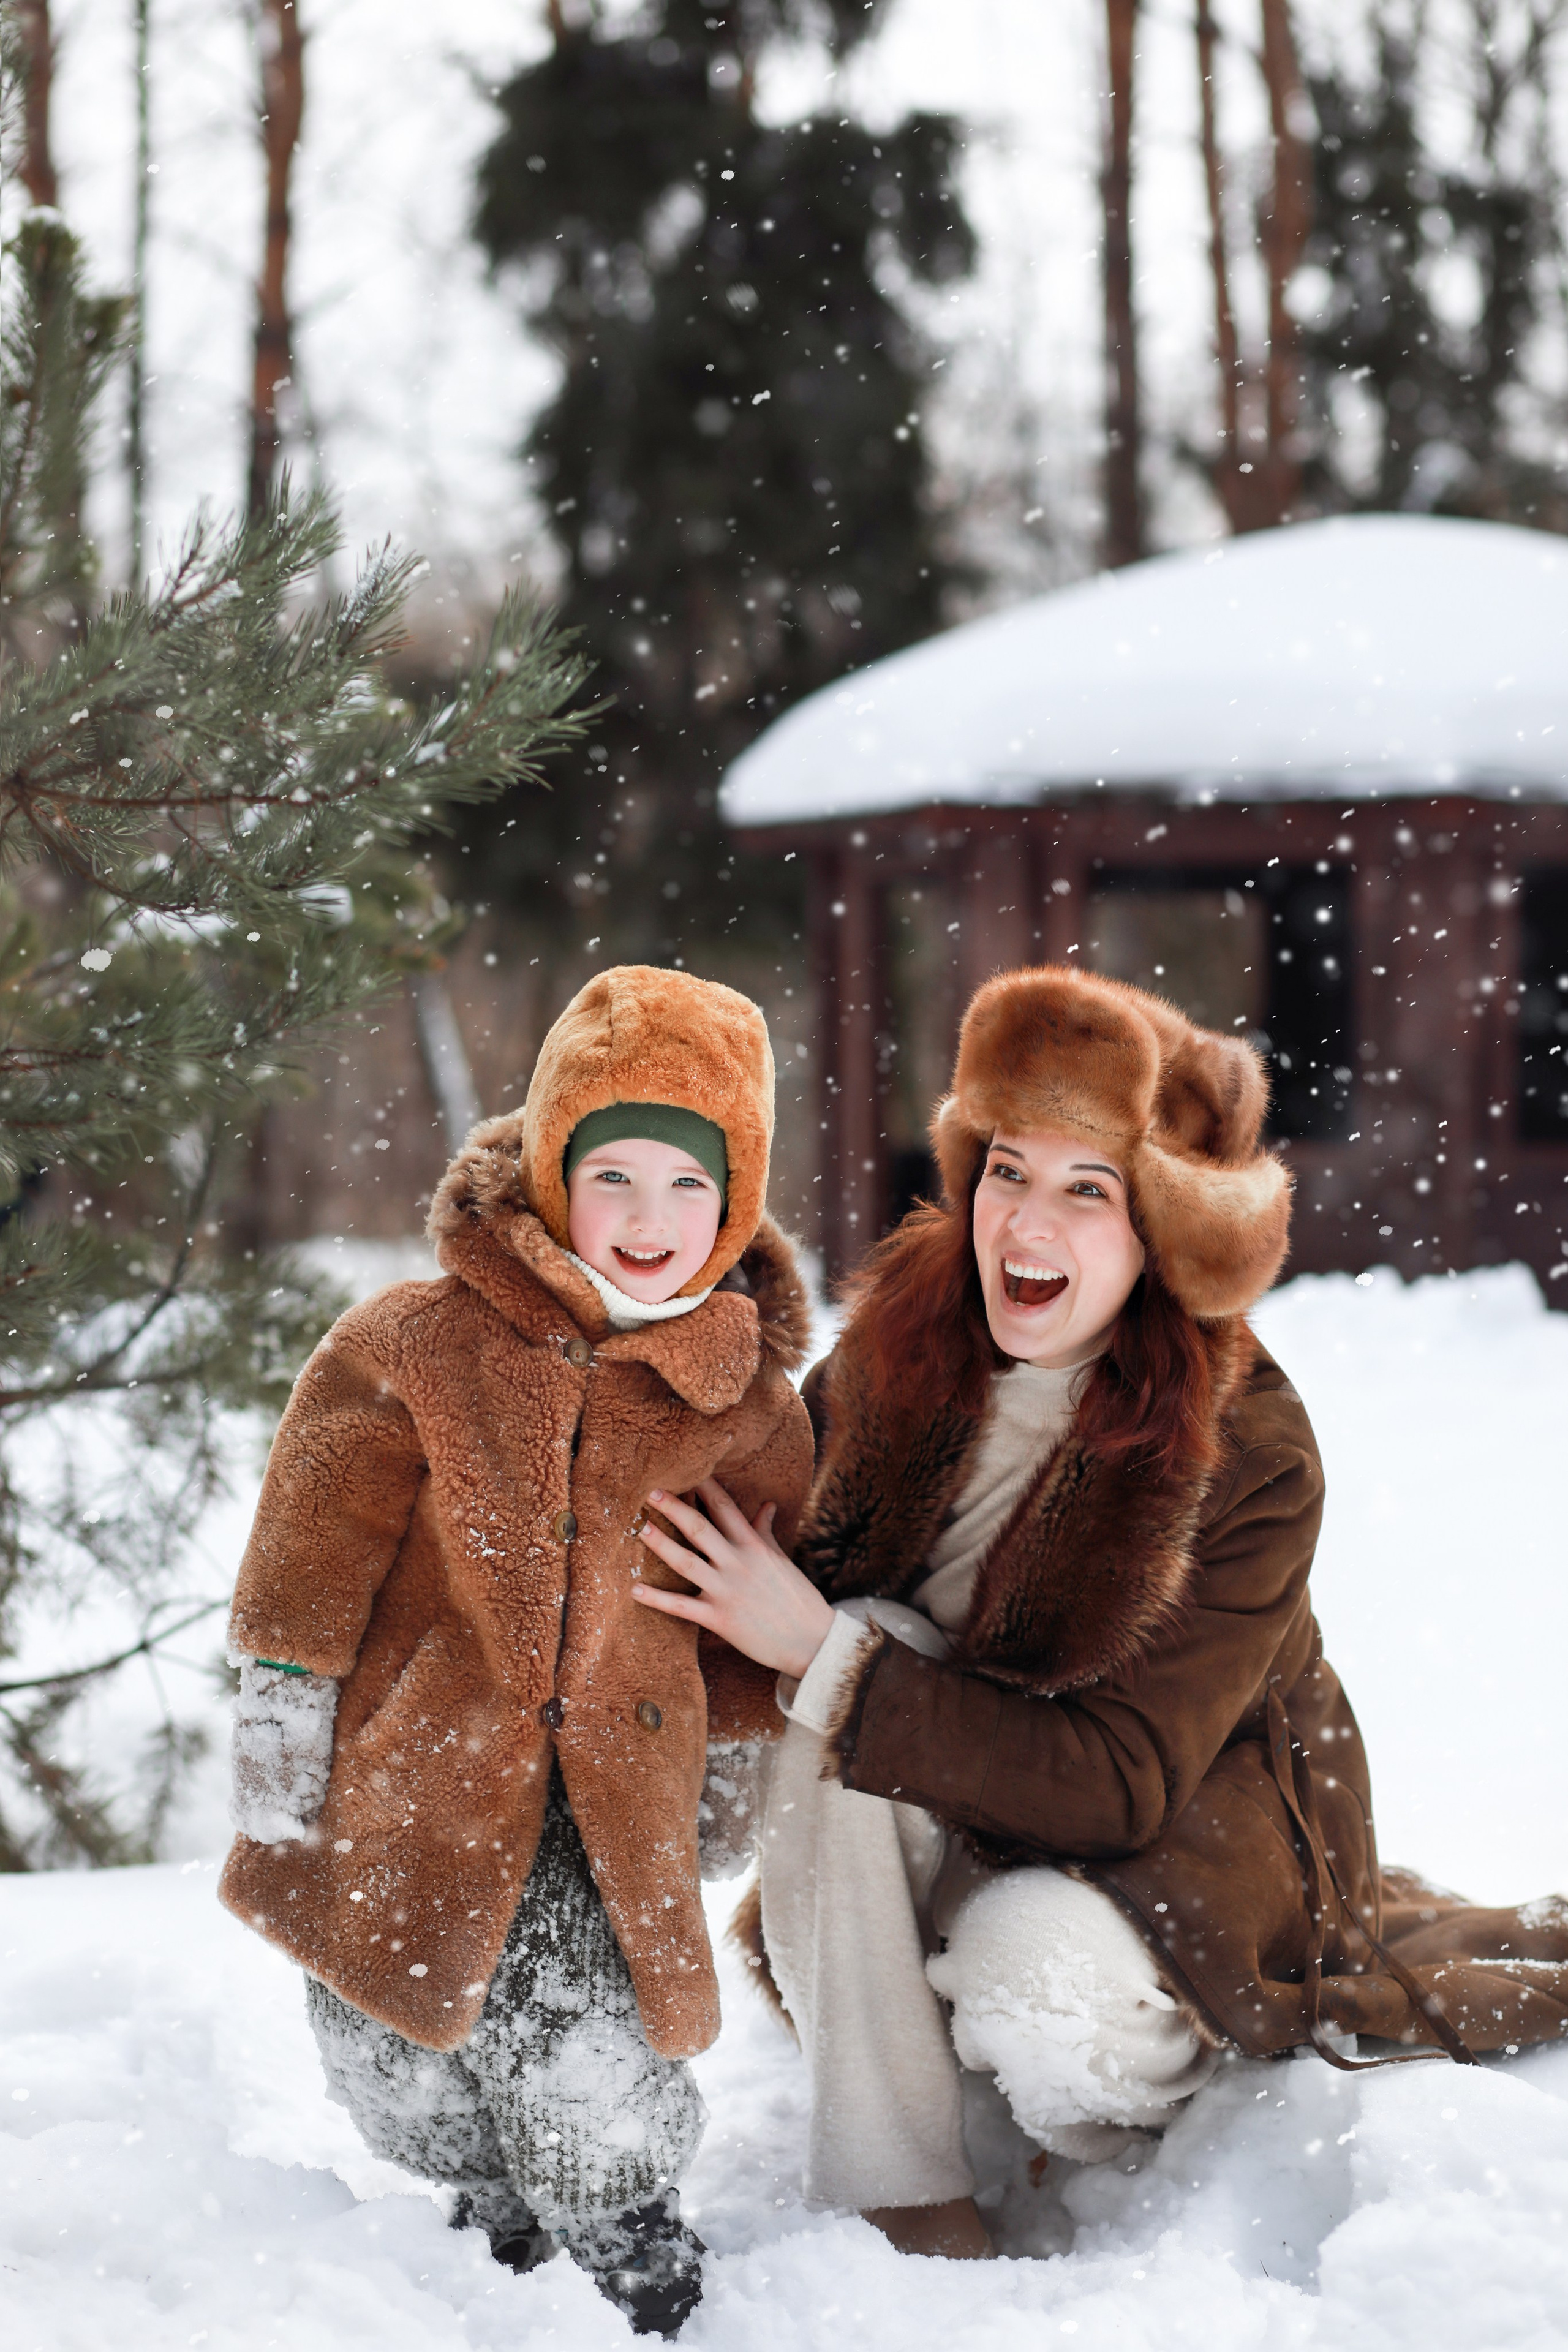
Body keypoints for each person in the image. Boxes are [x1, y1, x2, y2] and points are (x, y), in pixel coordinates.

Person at [633, 963, 1568, 2258]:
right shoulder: (895, 1357)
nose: (1027, 1225)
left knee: (1028, 1988)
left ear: (1162, 1233)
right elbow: (741, 1588)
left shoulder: (1243, 1449)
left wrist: (813, 1652)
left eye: (1088, 1191)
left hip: (1166, 1849)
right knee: (870, 1657)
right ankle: (901, 2179)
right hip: (934, 1813)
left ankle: (1122, 2099)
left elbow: (1117, 1783)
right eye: (1007, 1171)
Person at [219, 965, 812, 2335]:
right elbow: (309, 1554)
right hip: (412, 1779)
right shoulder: (412, 1345)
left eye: (688, 1183)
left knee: (584, 2057)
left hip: (612, 1792)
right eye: (615, 1177)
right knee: (395, 2058)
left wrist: (728, 1786)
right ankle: (488, 2200)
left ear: (736, 1196)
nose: (650, 1220)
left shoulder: (743, 1399)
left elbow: (751, 1603)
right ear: (552, 1171)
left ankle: (625, 2231)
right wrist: (277, 1753)